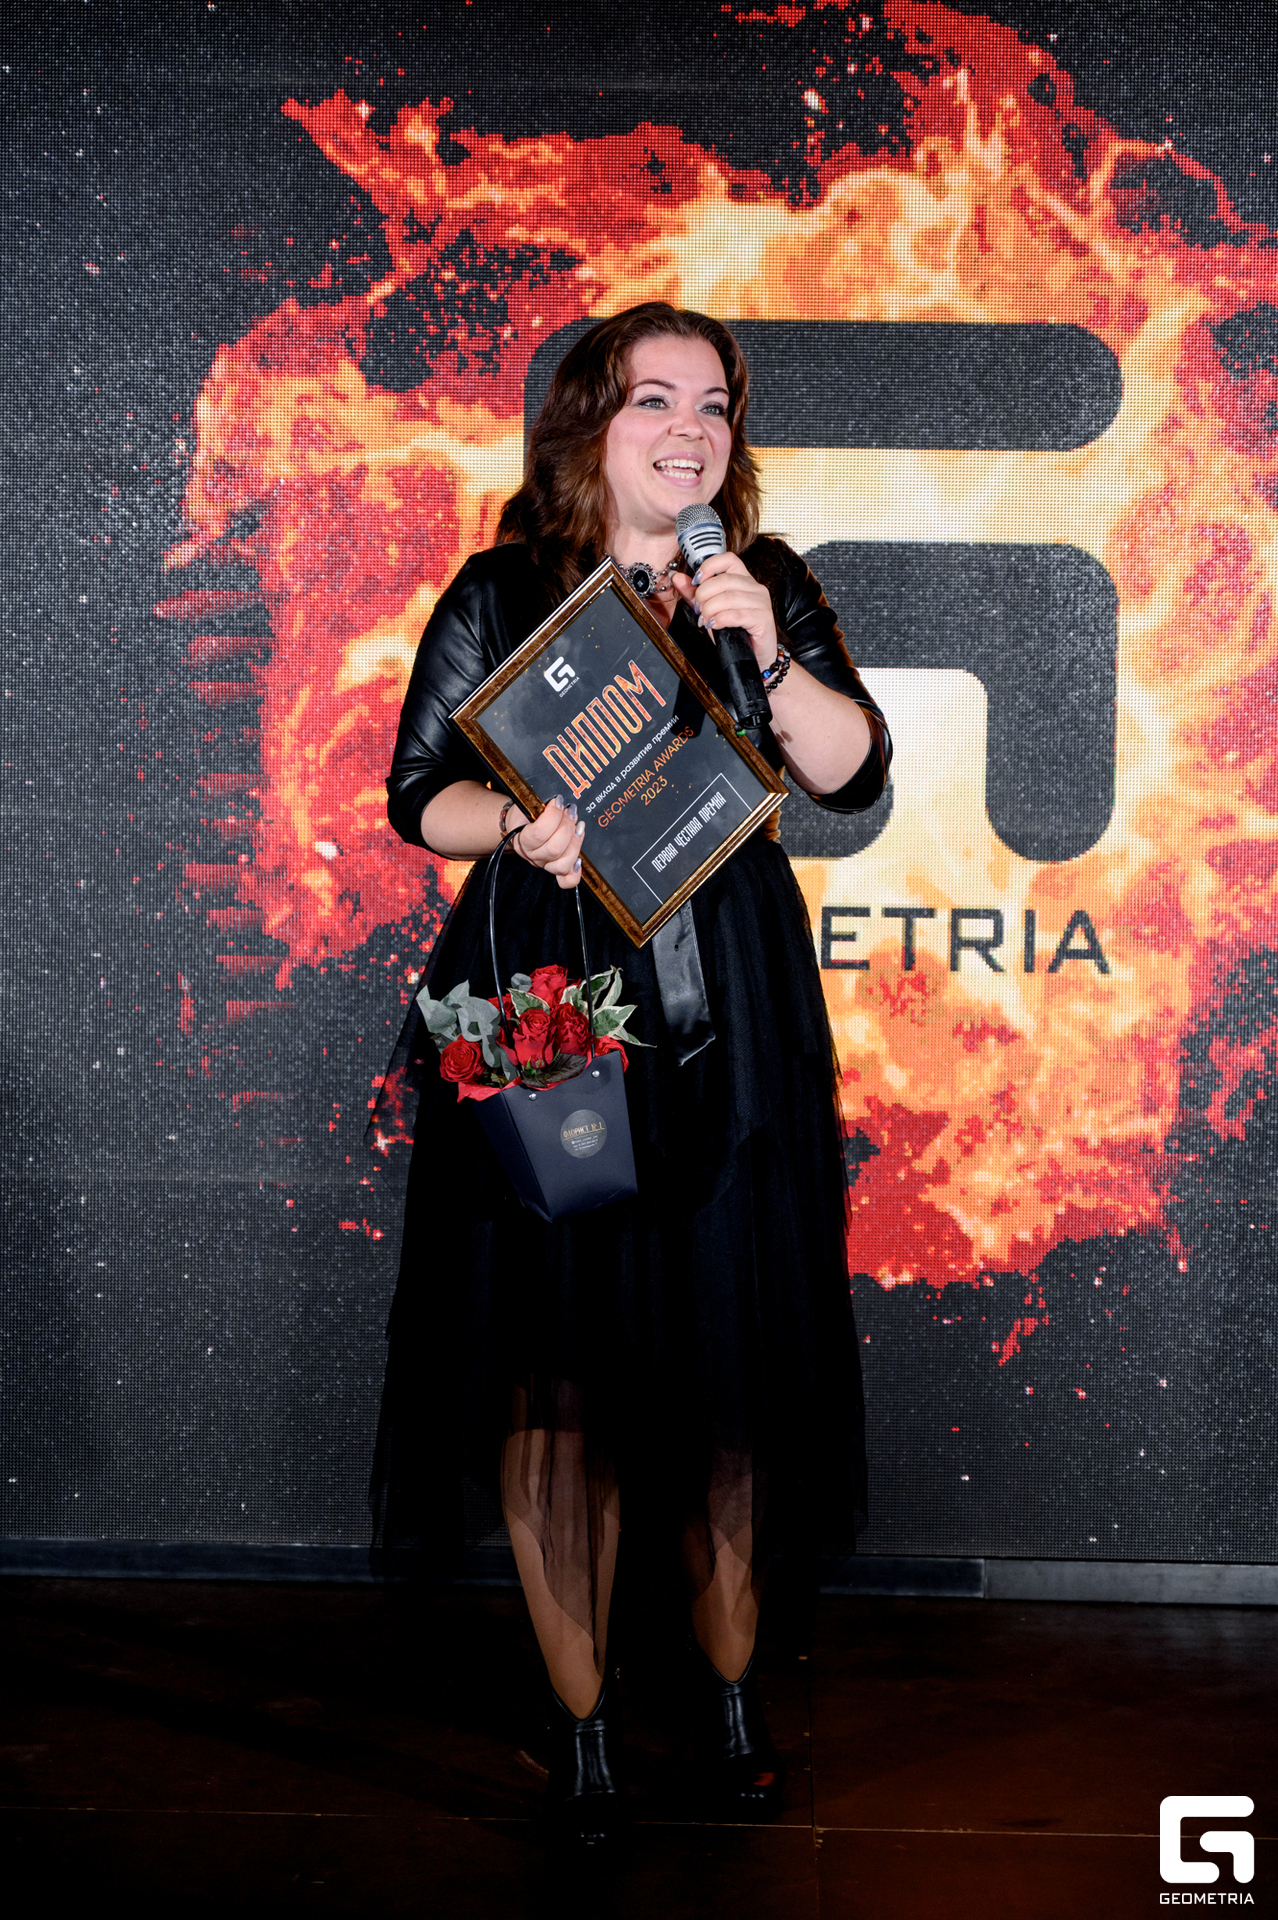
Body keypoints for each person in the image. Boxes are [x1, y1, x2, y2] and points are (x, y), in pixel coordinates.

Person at [372, 301, 890, 1845]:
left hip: (726, 993)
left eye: (713, 405)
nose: (690, 430)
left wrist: (758, 643)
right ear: (587, 422)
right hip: (554, 994)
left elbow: (847, 769)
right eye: (654, 399)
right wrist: (512, 824)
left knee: (730, 1368)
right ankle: (583, 1721)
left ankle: (728, 1695)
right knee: (555, 1376)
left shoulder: (760, 581)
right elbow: (419, 796)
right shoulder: (504, 588)